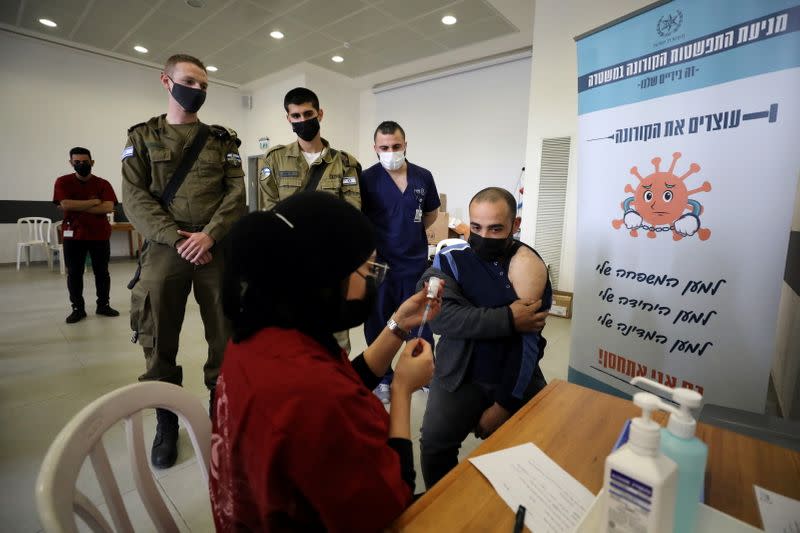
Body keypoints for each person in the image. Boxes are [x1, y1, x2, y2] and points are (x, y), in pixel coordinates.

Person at [210, 192, 440, 532]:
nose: (373, 280)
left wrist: (397, 326)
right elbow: (392, 501)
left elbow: (345, 381)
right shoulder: (313, 392)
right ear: (326, 277)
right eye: (367, 269)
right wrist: (403, 389)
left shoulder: (258, 337)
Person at [121, 53, 245, 469]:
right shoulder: (141, 137)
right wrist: (178, 239)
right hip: (164, 249)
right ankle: (166, 421)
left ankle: (221, 415)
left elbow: (235, 195)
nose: (197, 90)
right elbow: (135, 200)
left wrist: (209, 234)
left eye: (204, 85)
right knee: (157, 338)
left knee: (227, 335)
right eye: (189, 81)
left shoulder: (222, 140)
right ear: (166, 81)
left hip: (215, 248)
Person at [418, 187, 552, 489]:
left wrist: (505, 403)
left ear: (514, 227)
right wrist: (508, 318)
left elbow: (529, 339)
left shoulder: (528, 264)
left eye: (495, 228)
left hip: (514, 372)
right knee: (434, 445)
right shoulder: (449, 260)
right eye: (476, 227)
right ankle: (442, 509)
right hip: (459, 374)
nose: (483, 236)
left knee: (536, 450)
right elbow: (438, 316)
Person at [257, 86, 362, 353]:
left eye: (308, 113)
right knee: (291, 333)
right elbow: (270, 210)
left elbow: (352, 211)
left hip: (330, 261)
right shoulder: (275, 160)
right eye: (296, 116)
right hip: (289, 261)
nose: (303, 121)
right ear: (288, 119)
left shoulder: (345, 163)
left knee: (336, 336)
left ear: (320, 114)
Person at [360, 121, 440, 403]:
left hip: (414, 263)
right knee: (379, 321)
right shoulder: (366, 179)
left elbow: (430, 214)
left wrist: (408, 231)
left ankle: (425, 373)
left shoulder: (423, 177)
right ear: (375, 149)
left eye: (396, 146)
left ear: (405, 144)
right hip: (379, 264)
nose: (390, 152)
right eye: (384, 148)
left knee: (420, 320)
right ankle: (382, 377)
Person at [52, 147, 120, 323]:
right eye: (77, 162)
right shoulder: (63, 182)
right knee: (74, 273)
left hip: (99, 234)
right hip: (73, 235)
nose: (81, 165)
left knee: (102, 272)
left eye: (85, 162)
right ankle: (78, 309)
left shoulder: (103, 183)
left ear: (92, 162)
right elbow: (65, 204)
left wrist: (76, 205)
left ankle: (103, 305)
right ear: (71, 163)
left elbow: (108, 207)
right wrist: (93, 202)